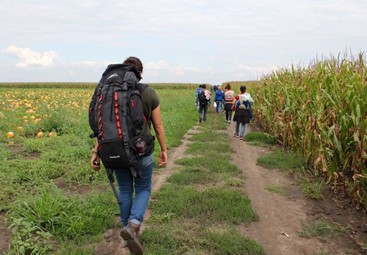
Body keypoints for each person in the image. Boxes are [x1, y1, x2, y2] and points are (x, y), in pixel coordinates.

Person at [90, 56, 168, 255]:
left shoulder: (108, 93)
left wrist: (95, 152)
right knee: (143, 187)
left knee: (125, 190)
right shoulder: (147, 92)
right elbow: (158, 125)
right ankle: (132, 227)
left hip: (114, 150)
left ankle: (126, 230)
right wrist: (164, 150)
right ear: (139, 73)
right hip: (141, 151)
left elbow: (102, 127)